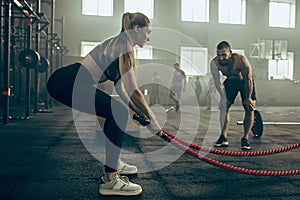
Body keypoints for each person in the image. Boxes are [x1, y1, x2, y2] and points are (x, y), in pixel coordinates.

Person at [47, 12, 162, 196]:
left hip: (69, 82)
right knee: (117, 112)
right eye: (148, 32)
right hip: (67, 82)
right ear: (137, 29)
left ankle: (113, 164)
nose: (148, 38)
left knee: (117, 110)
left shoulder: (121, 46)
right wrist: (154, 120)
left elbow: (123, 91)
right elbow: (133, 90)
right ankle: (110, 180)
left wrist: (139, 114)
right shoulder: (123, 46)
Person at [210, 41, 256, 150]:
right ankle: (223, 136)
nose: (221, 58)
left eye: (224, 55)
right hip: (231, 82)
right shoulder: (215, 63)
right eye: (219, 55)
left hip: (245, 82)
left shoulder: (240, 60)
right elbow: (217, 82)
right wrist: (222, 97)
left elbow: (248, 79)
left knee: (249, 107)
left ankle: (245, 138)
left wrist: (248, 98)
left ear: (230, 53)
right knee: (223, 107)